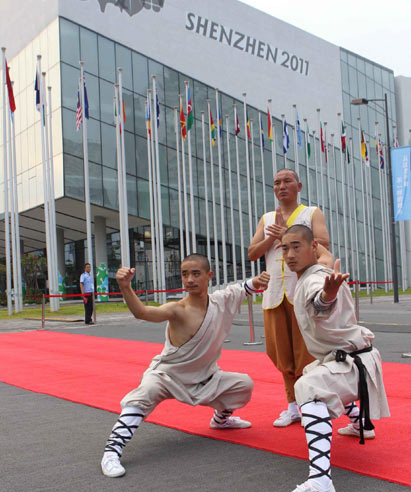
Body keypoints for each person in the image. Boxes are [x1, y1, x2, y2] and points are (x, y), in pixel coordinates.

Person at [101, 253, 270, 478]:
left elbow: (244, 287)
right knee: (144, 393)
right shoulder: (177, 309)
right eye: (184, 274)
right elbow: (142, 312)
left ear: (209, 275)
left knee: (243, 384)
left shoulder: (221, 299)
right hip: (167, 376)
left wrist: (259, 281)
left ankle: (221, 420)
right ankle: (112, 451)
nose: (189, 279)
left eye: (195, 273)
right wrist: (125, 287)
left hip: (205, 377)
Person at [281, 225, 389, 492]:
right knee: (311, 372)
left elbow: (320, 304)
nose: (290, 254)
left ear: (313, 247)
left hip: (353, 365)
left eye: (297, 246)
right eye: (285, 248)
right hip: (350, 360)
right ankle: (360, 423)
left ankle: (321, 479)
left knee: (307, 388)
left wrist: (327, 296)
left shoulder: (316, 280)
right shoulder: (314, 275)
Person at [248, 168, 330, 427]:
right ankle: (293, 406)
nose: (281, 186)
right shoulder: (267, 218)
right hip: (274, 292)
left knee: (306, 352)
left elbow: (324, 242)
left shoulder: (311, 213)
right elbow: (252, 252)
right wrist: (272, 236)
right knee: (280, 353)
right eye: (276, 182)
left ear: (299, 185)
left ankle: (311, 404)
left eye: (287, 181)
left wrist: (286, 235)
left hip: (303, 290)